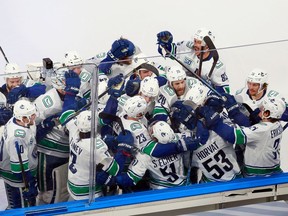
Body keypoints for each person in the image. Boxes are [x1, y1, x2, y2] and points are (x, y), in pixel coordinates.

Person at [197, 95, 286, 177]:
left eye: (262, 109)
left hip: (259, 176)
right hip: (274, 170)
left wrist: (215, 123)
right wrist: (234, 111)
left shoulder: (261, 130)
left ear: (267, 113)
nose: (259, 110)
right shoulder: (277, 124)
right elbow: (252, 125)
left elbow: (232, 136)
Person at [57, 110, 134, 200]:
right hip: (87, 192)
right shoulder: (97, 148)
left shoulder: (74, 128)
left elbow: (65, 115)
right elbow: (115, 170)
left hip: (72, 184)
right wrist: (123, 148)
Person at [156, 28, 230, 94]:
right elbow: (166, 52)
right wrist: (165, 44)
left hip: (201, 95)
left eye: (199, 42)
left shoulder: (218, 66)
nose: (195, 45)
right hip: (181, 87)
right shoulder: (187, 46)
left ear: (208, 45)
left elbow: (225, 90)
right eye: (195, 41)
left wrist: (210, 91)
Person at [0, 99, 38, 209]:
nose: (34, 116)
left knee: (15, 205)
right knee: (22, 208)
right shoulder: (17, 138)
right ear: (23, 118)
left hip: (11, 169)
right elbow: (18, 170)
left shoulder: (15, 120)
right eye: (32, 115)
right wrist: (30, 183)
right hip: (16, 178)